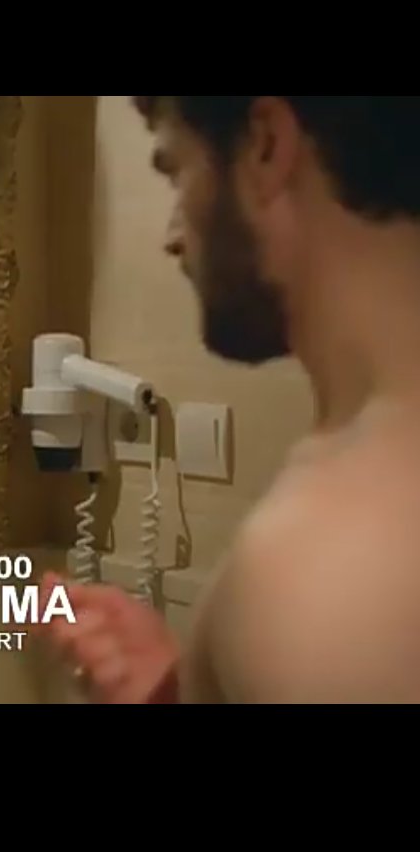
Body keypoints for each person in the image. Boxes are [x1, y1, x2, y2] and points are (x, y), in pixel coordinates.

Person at [39, 96, 420, 704]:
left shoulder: (330, 585)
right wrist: (173, 689)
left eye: (176, 170)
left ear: (265, 146)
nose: (171, 237)